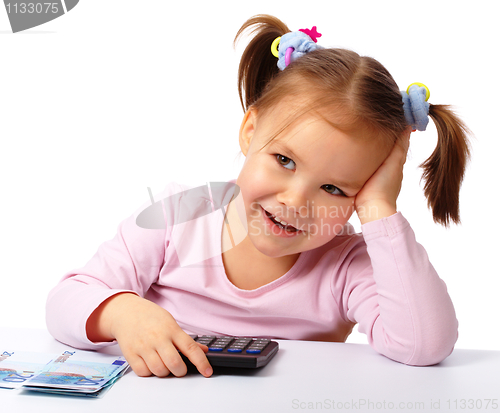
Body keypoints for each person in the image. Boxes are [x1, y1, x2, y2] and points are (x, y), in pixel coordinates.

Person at [46, 15, 471, 379]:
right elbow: (65, 303)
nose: (295, 201)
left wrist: (380, 210)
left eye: (333, 188)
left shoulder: (347, 265)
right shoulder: (179, 216)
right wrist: (120, 312)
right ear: (251, 131)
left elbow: (424, 345)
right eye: (284, 160)